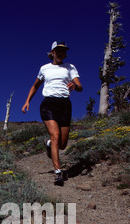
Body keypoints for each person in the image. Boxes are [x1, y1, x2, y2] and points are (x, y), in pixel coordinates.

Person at [22, 41, 83, 186]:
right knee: (55, 135)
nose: (60, 53)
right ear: (52, 52)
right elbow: (35, 86)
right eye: (58, 50)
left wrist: (75, 86)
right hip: (48, 104)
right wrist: (27, 101)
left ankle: (49, 144)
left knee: (62, 144)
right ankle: (58, 172)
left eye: (63, 51)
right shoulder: (44, 68)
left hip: (65, 105)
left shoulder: (70, 67)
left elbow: (79, 86)